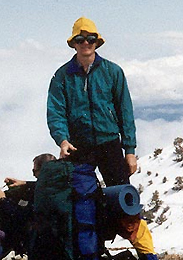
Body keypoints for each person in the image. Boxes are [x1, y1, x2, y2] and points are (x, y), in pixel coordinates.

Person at [47, 17, 138, 187]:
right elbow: (56, 112)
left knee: (120, 196)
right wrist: (62, 140)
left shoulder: (112, 72)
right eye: (80, 39)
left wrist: (130, 151)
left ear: (97, 42)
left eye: (91, 39)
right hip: (77, 146)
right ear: (74, 43)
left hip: (109, 143)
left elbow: (125, 111)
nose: (85, 43)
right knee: (80, 197)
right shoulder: (62, 76)